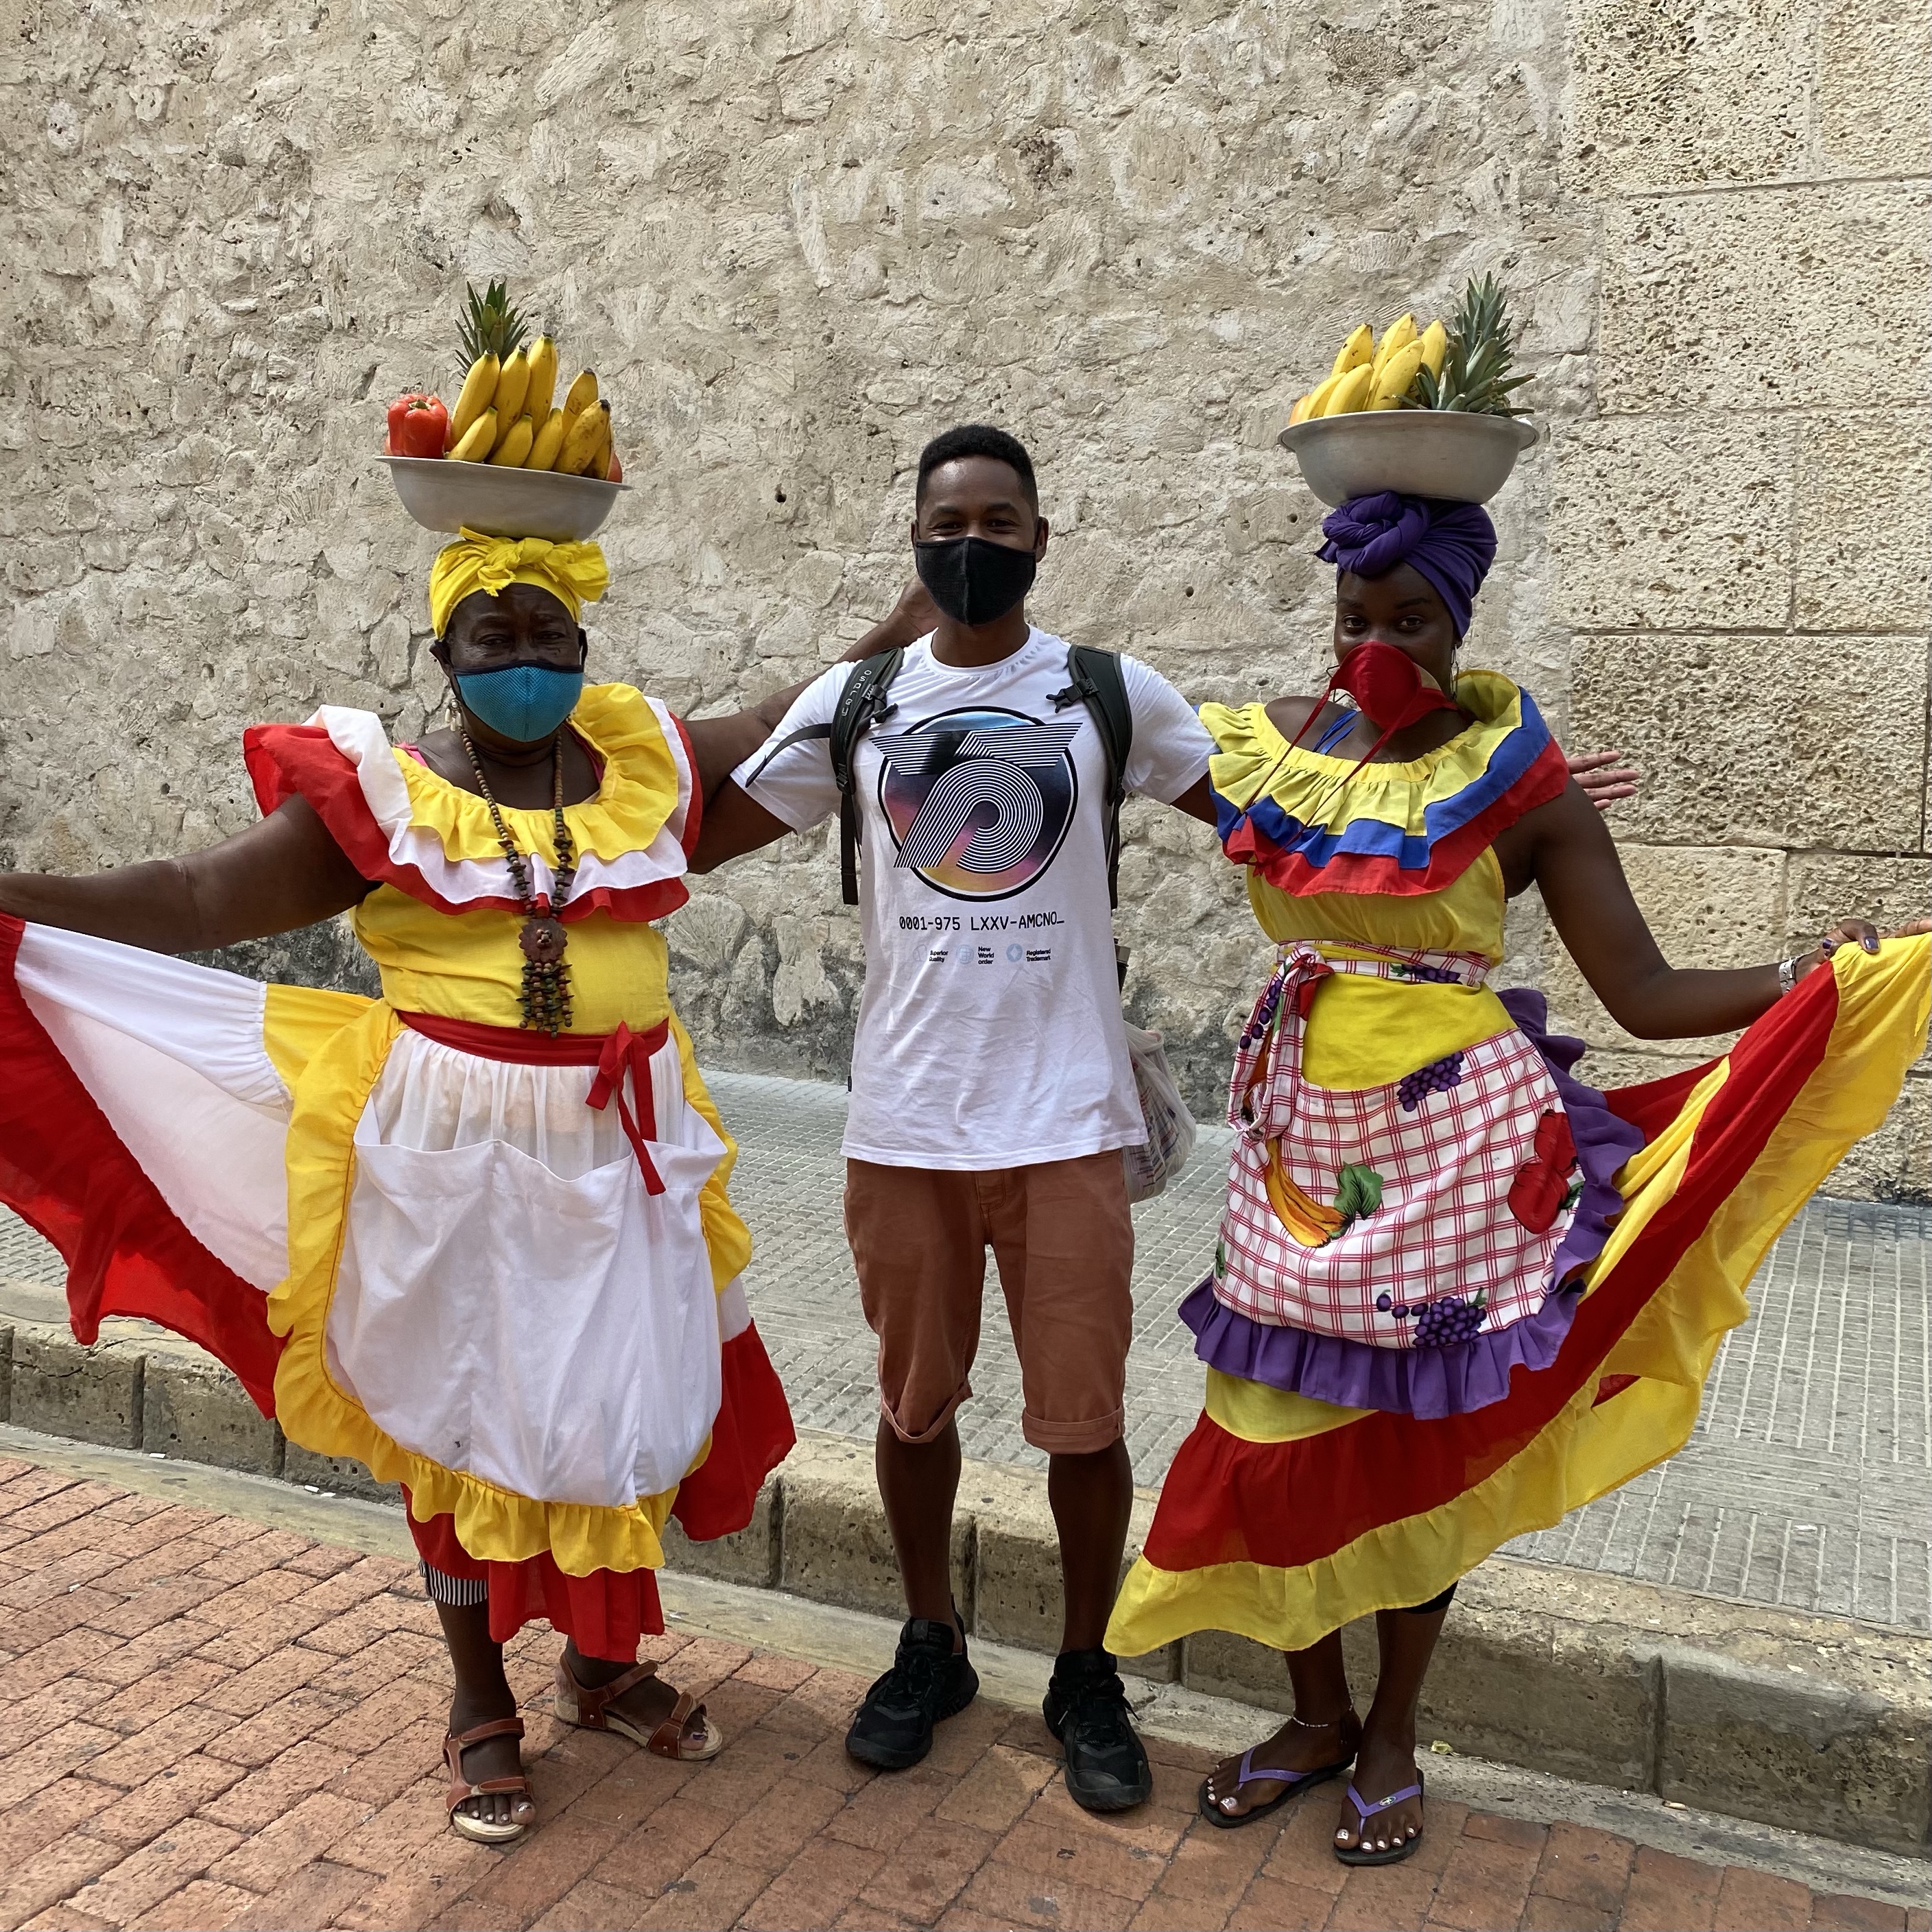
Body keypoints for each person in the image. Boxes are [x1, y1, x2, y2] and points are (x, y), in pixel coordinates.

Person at [691, 426, 1642, 1811]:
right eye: (948, 523)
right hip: (903, 1122)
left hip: (1067, 1120)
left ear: (1040, 536)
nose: (973, 544)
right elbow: (702, 827)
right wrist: (859, 653)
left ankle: (1085, 1670)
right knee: (912, 1406)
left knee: (1081, 1426)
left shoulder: (1106, 690)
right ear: (914, 540)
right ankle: (927, 1641)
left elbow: (1298, 815)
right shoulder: (863, 699)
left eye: (999, 521)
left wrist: (1487, 785)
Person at [0, 529, 933, 1844]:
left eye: (549, 634)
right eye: (494, 637)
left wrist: (901, 624)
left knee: (616, 1403)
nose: (525, 660)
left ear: (583, 646)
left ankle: (597, 1667)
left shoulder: (641, 771)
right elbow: (195, 893)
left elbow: (793, 718)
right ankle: (478, 1697)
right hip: (446, 1155)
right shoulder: (388, 794)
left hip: (622, 1149)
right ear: (445, 655)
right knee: (457, 1418)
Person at [1098, 490, 1929, 1861]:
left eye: (1409, 620)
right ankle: (1312, 1714)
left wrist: (1810, 974)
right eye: (1354, 619)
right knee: (1263, 1436)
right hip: (1296, 1151)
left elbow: (1644, 989)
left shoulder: (1520, 783)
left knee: (1413, 1440)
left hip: (1457, 1159)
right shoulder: (1273, 750)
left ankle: (1386, 1733)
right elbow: (1098, 738)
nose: (1377, 647)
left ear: (1457, 623)